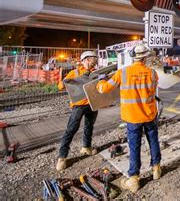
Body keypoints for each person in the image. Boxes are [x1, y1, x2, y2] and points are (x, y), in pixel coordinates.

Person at [96, 44, 161, 193]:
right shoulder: (152, 73)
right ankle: (156, 170)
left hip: (133, 117)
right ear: (146, 57)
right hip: (150, 115)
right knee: (153, 141)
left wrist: (101, 80)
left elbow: (103, 89)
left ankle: (134, 179)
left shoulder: (122, 73)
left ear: (133, 56)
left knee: (134, 146)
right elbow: (150, 89)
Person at [56, 51, 99, 171]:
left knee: (89, 127)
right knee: (71, 130)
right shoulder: (74, 73)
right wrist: (64, 82)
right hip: (78, 106)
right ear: (85, 60)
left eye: (94, 59)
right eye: (92, 59)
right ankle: (62, 157)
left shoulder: (95, 73)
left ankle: (86, 147)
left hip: (92, 104)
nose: (94, 61)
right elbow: (60, 87)